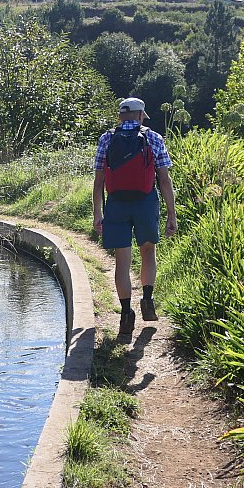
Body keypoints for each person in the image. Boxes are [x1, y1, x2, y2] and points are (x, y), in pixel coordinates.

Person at [92, 97, 177, 335]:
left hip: (116, 204)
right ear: (141, 116)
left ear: (120, 116)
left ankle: (126, 313)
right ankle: (147, 300)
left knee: (122, 260)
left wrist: (98, 212)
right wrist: (172, 213)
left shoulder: (106, 138)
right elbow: (164, 179)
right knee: (148, 251)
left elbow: (99, 181)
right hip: (145, 202)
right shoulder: (153, 137)